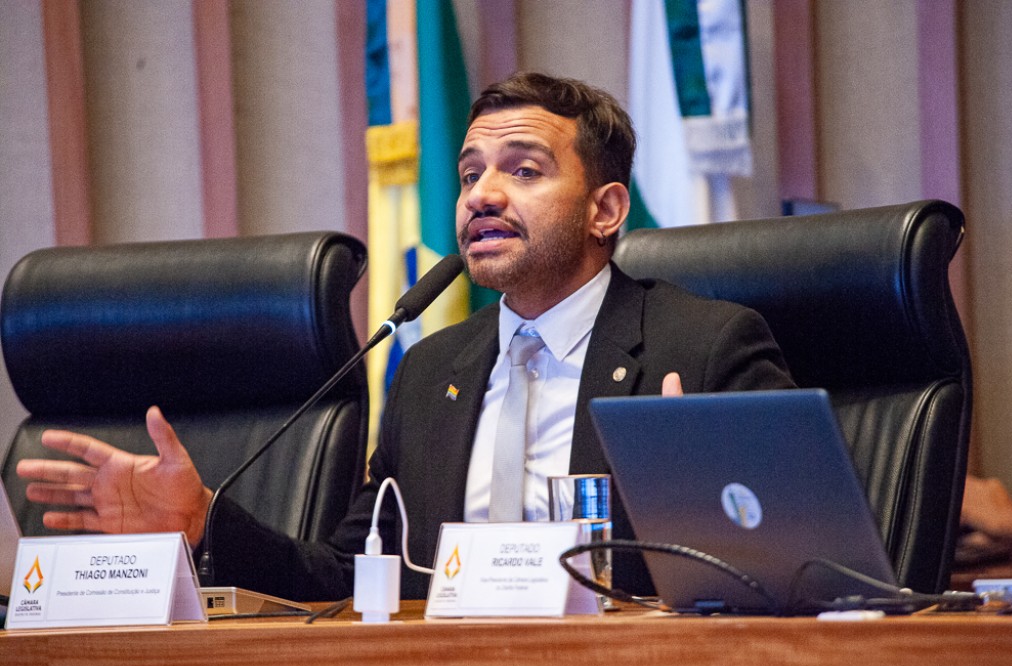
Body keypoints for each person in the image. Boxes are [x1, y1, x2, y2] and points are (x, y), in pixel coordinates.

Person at [17, 72, 794, 600]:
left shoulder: (704, 348)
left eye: (523, 171)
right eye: (470, 174)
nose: (482, 195)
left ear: (606, 209)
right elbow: (347, 578)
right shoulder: (430, 371)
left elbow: (804, 566)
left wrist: (702, 505)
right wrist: (203, 520)